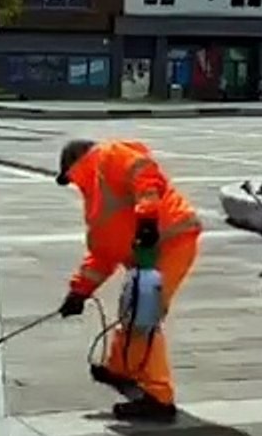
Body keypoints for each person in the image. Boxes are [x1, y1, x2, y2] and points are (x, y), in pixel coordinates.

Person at [55, 139, 203, 421]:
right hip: (151, 251)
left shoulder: (108, 156)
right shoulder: (95, 196)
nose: (74, 185)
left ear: (73, 165)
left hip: (171, 241)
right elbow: (103, 254)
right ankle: (121, 368)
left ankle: (159, 397)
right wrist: (79, 292)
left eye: (70, 179)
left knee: (143, 316)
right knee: (133, 311)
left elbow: (145, 175)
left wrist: (147, 220)